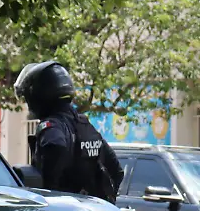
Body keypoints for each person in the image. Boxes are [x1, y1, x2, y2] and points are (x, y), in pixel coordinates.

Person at [14, 61, 124, 203]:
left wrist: (49, 193)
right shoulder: (85, 125)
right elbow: (117, 171)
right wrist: (104, 202)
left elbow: (56, 145)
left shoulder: (51, 127)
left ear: (38, 95)